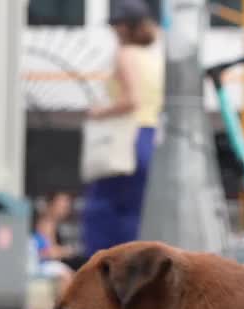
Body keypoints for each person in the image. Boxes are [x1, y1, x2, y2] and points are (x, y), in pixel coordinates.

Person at [79, 0, 163, 259]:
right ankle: (130, 269)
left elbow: (131, 100)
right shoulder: (155, 58)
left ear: (126, 28)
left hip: (125, 139)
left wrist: (98, 112)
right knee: (132, 212)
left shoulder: (124, 55)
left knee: (101, 209)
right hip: (149, 138)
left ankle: (102, 270)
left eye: (117, 25)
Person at [31, 191, 75, 295]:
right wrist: (66, 251)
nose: (65, 208)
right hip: (40, 265)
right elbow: (46, 253)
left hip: (49, 264)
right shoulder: (46, 224)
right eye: (62, 205)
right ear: (51, 205)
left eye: (67, 205)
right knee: (66, 274)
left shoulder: (53, 224)